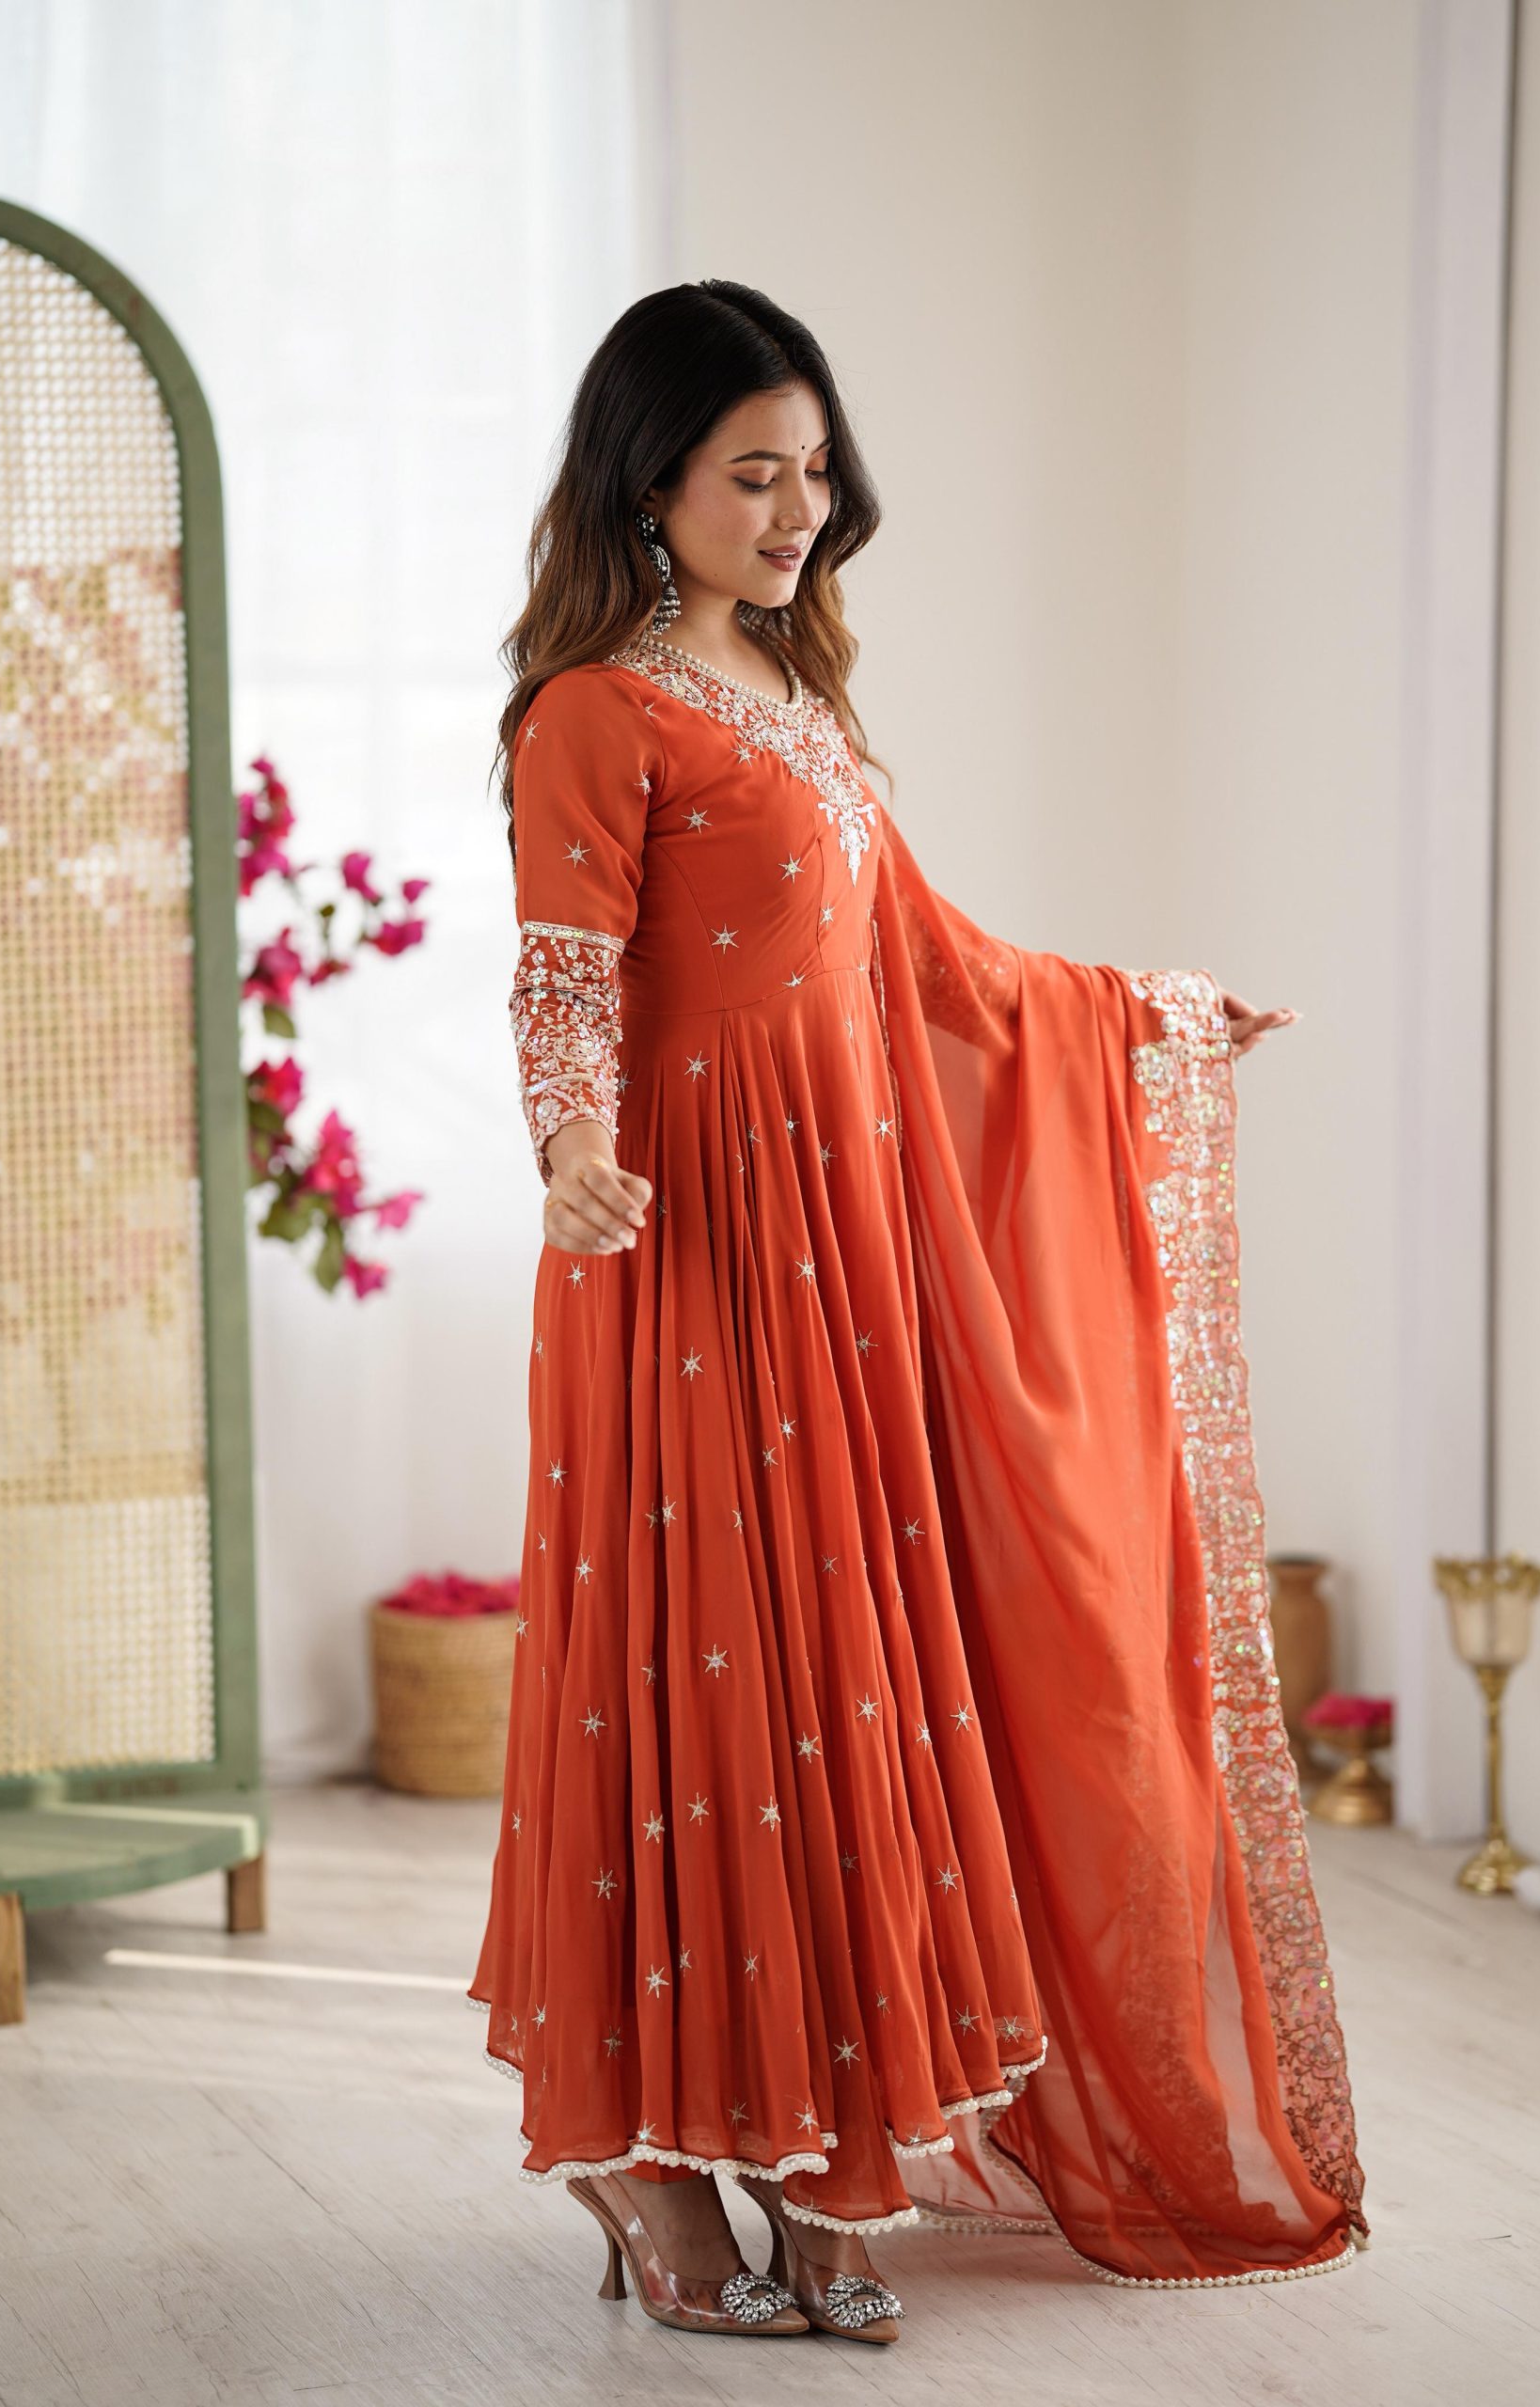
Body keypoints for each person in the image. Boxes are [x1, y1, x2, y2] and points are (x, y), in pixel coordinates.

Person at [466, 279, 1370, 2345]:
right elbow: (560, 975)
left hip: (842, 1264)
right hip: (684, 1254)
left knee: (843, 1685)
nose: (798, 510)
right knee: (703, 1678)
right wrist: (573, 1147)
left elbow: (936, 966)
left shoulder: (793, 694)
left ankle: (823, 2137)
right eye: (751, 474)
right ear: (648, 483)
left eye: (813, 471)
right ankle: (647, 2153)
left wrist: (1146, 1016)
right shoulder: (594, 712)